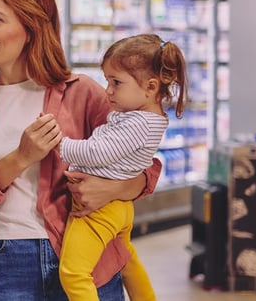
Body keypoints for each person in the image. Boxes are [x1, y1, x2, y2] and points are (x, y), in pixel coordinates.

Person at [0, 0, 162, 301]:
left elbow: (147, 167)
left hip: (87, 256)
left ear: (32, 29)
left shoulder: (82, 92)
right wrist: (19, 158)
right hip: (4, 262)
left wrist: (114, 188)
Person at [56, 34, 187, 301]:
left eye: (116, 82)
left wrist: (59, 143)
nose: (108, 90)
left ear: (150, 87)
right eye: (107, 81)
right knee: (125, 259)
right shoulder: (143, 118)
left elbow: (98, 152)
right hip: (118, 207)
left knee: (74, 273)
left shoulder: (138, 123)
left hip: (100, 210)